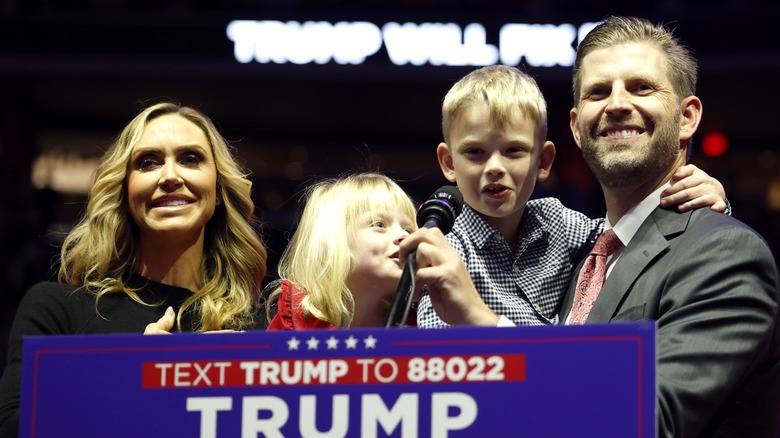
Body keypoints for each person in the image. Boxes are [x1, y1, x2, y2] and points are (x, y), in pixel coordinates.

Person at [558, 16, 780, 436]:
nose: (616, 104)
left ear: (687, 117)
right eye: (598, 92)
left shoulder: (726, 255)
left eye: (641, 87)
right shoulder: (577, 254)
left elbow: (649, 421)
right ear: (576, 127)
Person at [0, 102, 268, 436]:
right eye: (148, 162)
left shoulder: (258, 330)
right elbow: (13, 428)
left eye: (190, 159)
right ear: (125, 192)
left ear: (217, 192)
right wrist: (133, 378)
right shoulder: (58, 311)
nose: (170, 176)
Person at [416, 64, 729, 328]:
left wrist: (704, 201)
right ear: (448, 163)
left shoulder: (558, 222)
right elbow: (435, 357)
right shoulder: (443, 250)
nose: (495, 167)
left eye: (514, 151)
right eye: (475, 152)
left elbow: (635, 234)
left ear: (543, 162)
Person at [265, 172, 492, 330]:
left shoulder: (425, 326)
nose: (404, 237)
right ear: (332, 240)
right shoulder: (294, 327)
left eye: (408, 228)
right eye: (379, 224)